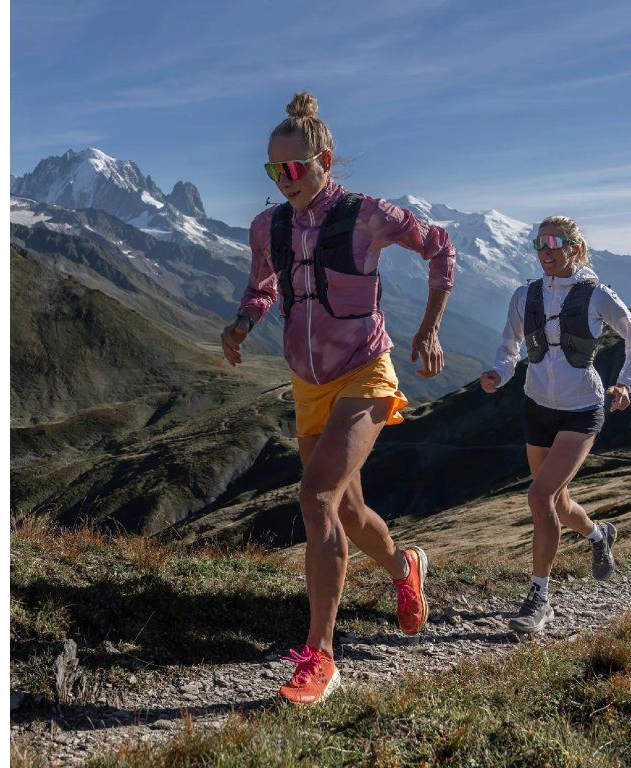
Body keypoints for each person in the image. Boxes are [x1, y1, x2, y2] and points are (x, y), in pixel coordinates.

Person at [221, 92, 456, 703]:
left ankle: (320, 656)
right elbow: (262, 287)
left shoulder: (369, 215)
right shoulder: (267, 226)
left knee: (316, 496)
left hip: (364, 372)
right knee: (346, 511)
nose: (282, 179)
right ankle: (405, 568)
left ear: (323, 160)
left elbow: (440, 247)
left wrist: (429, 328)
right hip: (308, 381)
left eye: (292, 167)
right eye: (272, 169)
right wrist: (242, 324)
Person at [479, 216, 631, 634]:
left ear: (574, 247)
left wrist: (625, 384)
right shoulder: (524, 295)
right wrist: (499, 373)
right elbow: (509, 346)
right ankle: (599, 536)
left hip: (581, 409)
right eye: (539, 244)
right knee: (557, 503)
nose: (545, 252)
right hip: (537, 407)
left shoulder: (596, 295)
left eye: (554, 243)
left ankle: (540, 597)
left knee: (539, 495)